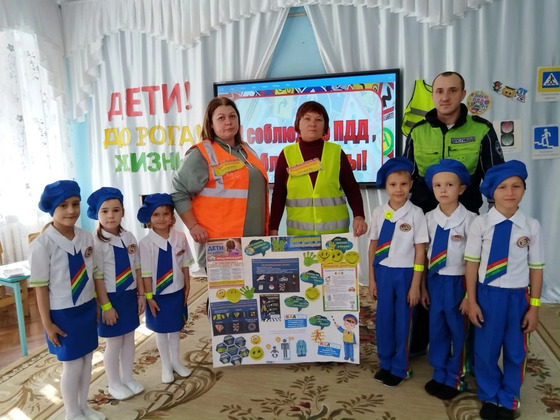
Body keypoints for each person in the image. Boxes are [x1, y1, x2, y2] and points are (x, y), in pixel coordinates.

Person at [404, 71, 505, 356]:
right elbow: (406, 176)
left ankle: (464, 346)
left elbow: (496, 176)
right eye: (439, 91)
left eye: (452, 90)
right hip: (426, 220)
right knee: (423, 277)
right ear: (433, 95)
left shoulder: (481, 129)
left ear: (462, 94)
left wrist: (496, 220)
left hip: (465, 219)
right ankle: (420, 341)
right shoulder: (417, 131)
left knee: (461, 280)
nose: (445, 97)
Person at [464, 160, 544, 420]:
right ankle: (489, 394)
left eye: (516, 186)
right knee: (485, 350)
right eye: (502, 187)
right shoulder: (480, 224)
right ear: (491, 192)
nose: (510, 192)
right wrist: (471, 300)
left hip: (518, 297)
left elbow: (536, 269)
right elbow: (471, 265)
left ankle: (509, 398)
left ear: (524, 189)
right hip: (487, 295)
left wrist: (534, 306)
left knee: (516, 351)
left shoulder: (531, 226)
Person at [29, 180, 105, 420]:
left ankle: (83, 406)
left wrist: (97, 305)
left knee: (87, 359)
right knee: (72, 364)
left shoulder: (86, 237)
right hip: (62, 314)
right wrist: (47, 324)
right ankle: (71, 412)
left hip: (86, 307)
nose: (71, 210)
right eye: (63, 205)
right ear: (52, 209)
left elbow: (93, 274)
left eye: (75, 204)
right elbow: (40, 289)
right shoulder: (42, 245)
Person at [171, 97, 269, 269]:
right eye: (221, 118)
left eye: (232, 116)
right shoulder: (202, 153)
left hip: (254, 243)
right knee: (227, 288)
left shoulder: (246, 150)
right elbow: (178, 191)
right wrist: (193, 226)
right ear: (211, 124)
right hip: (221, 246)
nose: (228, 122)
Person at [368, 157, 428, 387]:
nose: (398, 189)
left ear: (411, 185)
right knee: (383, 319)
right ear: (386, 186)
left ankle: (400, 367)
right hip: (383, 273)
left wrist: (415, 285)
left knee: (403, 321)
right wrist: (372, 279)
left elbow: (420, 251)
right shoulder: (378, 212)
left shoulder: (416, 213)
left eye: (403, 184)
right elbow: (373, 246)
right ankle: (385, 362)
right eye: (393, 184)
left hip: (405, 274)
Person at [269, 101, 367, 237]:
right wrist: (273, 228)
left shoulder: (336, 152)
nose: (313, 124)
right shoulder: (287, 154)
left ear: (325, 126)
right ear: (298, 123)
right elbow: (279, 195)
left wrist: (359, 216)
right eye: (307, 119)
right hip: (299, 238)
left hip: (335, 238)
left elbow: (352, 189)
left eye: (318, 119)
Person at [421, 160, 476, 400]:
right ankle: (439, 371)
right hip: (435, 280)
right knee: (437, 327)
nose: (443, 190)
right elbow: (423, 253)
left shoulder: (471, 220)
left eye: (450, 185)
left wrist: (469, 295)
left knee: (458, 329)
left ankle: (456, 375)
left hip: (459, 281)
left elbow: (476, 260)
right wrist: (423, 286)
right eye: (438, 185)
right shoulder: (428, 218)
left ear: (461, 189)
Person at [86, 187, 145, 400]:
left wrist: (141, 295)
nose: (110, 215)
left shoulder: (129, 237)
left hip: (129, 295)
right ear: (97, 214)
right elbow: (97, 278)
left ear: (123, 212)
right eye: (104, 211)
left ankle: (127, 378)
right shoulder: (95, 243)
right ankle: (113, 383)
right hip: (110, 298)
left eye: (116, 210)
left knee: (129, 338)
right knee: (114, 342)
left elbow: (137, 268)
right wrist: (106, 306)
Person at [137, 193, 193, 384]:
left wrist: (187, 285)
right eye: (156, 214)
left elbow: (185, 263)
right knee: (161, 330)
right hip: (156, 294)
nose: (161, 218)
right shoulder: (145, 244)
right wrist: (149, 297)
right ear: (149, 218)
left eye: (165, 214)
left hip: (176, 290)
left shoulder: (180, 237)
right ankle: (166, 365)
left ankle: (176, 361)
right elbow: (145, 273)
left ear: (172, 217)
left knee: (175, 328)